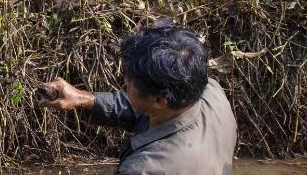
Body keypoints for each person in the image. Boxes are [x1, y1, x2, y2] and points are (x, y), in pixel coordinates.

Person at [39, 26, 237, 174]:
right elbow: (146, 110)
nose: (125, 81)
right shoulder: (209, 90)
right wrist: (83, 98)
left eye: (131, 82)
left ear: (160, 100)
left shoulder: (143, 169)